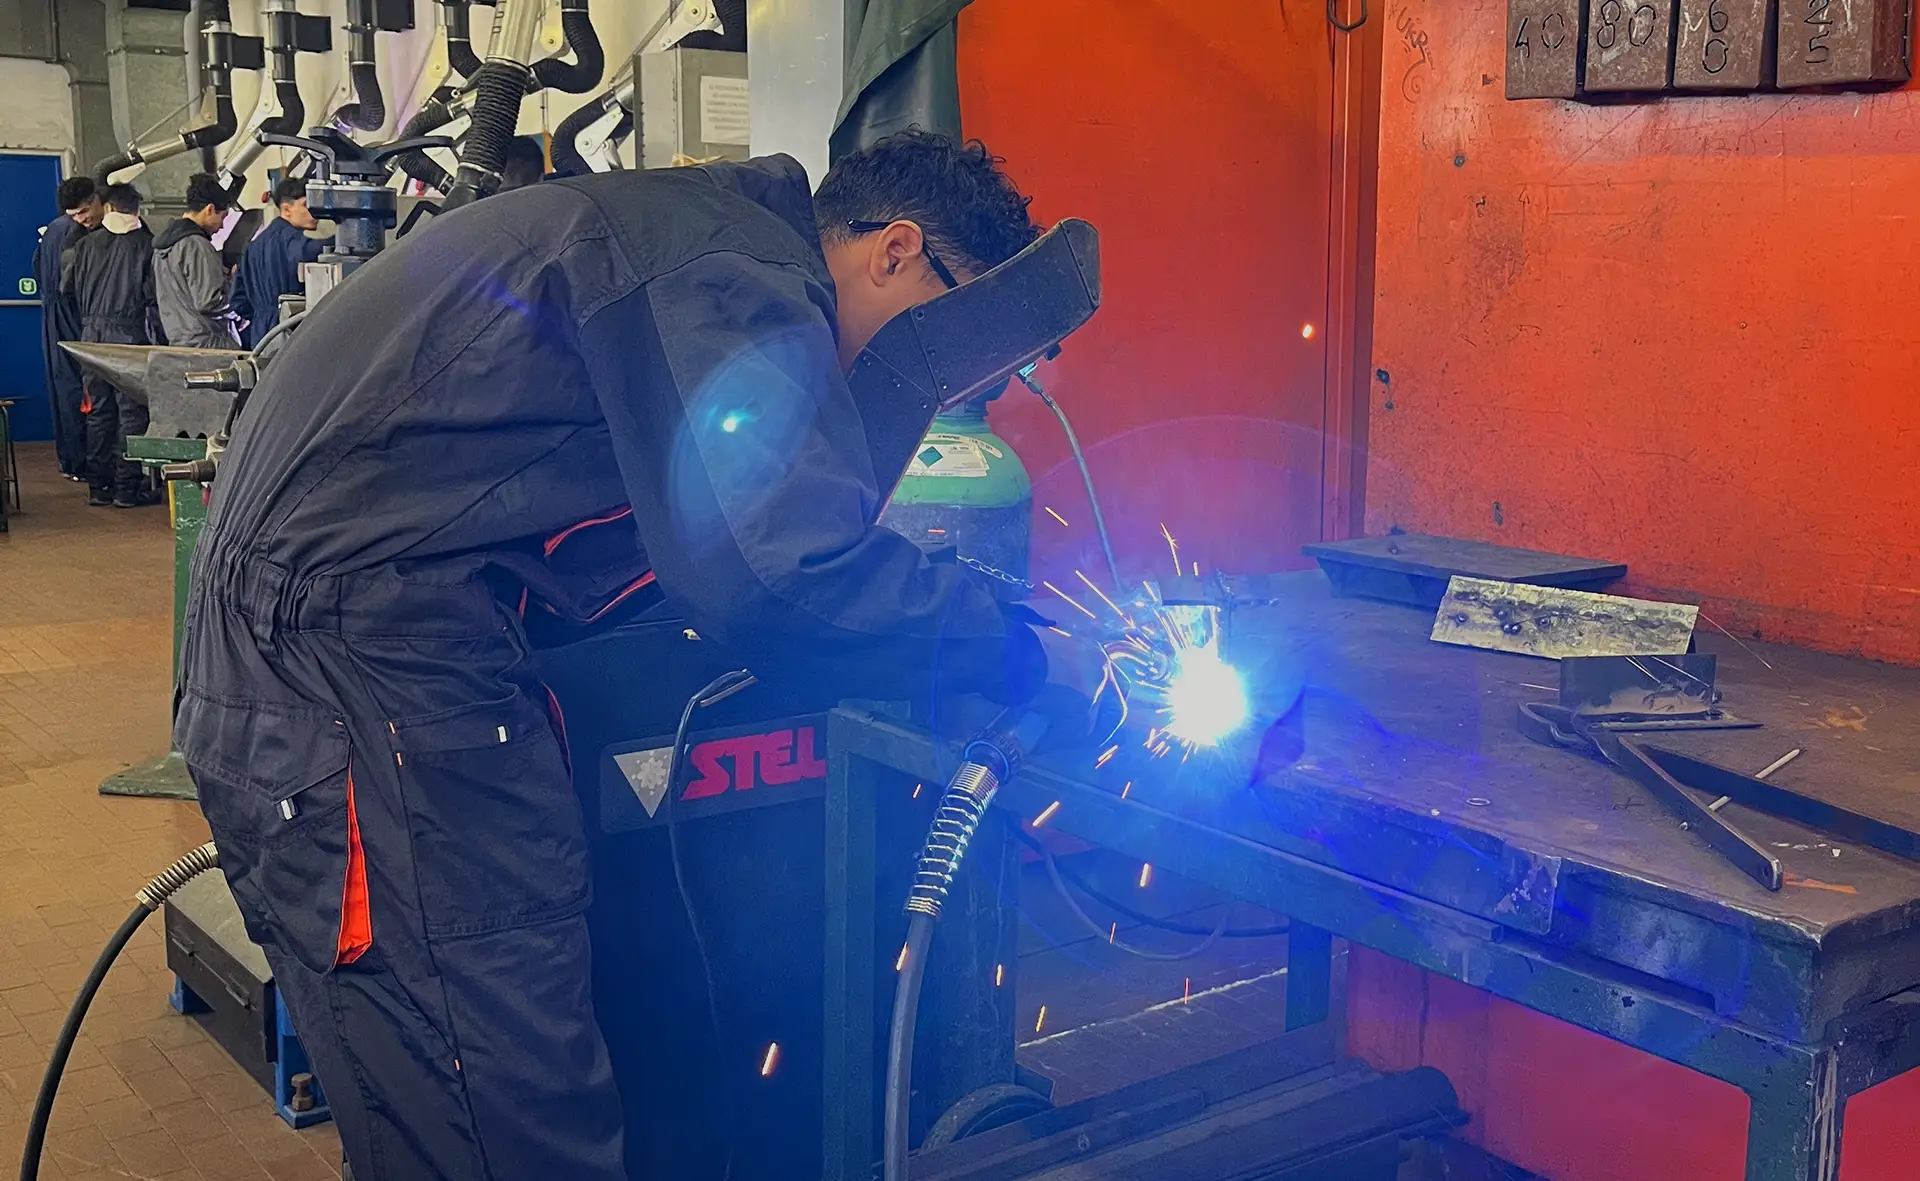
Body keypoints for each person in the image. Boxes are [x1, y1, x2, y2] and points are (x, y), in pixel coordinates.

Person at [175, 131, 1114, 1181]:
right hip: (349, 676)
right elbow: (777, 568)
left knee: (477, 1079)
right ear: (895, 250)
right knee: (500, 1101)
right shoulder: (731, 273)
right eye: (941, 342)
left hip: (383, 654)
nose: (935, 388)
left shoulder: (696, 243)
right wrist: (1018, 651)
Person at [63, 184, 158, 508]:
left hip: (90, 337)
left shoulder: (85, 245)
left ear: (107, 206)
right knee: (131, 413)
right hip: (129, 337)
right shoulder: (147, 245)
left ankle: (98, 487)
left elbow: (68, 287)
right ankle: (126, 489)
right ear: (136, 210)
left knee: (97, 412)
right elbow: (152, 296)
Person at [34, 176, 102, 479]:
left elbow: (37, 268)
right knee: (83, 390)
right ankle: (86, 463)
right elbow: (73, 283)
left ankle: (70, 461)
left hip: (50, 316)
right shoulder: (78, 234)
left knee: (62, 388)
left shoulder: (51, 231)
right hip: (73, 315)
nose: (85, 218)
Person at [231, 177, 326, 347]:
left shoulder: (252, 248)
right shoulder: (297, 243)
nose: (315, 212)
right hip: (290, 330)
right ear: (286, 209)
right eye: (306, 205)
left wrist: (262, 315)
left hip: (260, 335)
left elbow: (238, 301)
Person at [152, 172, 238, 349]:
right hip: (209, 344)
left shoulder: (162, 246)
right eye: (222, 217)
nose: (221, 225)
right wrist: (238, 307)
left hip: (180, 341)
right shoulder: (197, 245)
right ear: (210, 209)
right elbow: (209, 301)